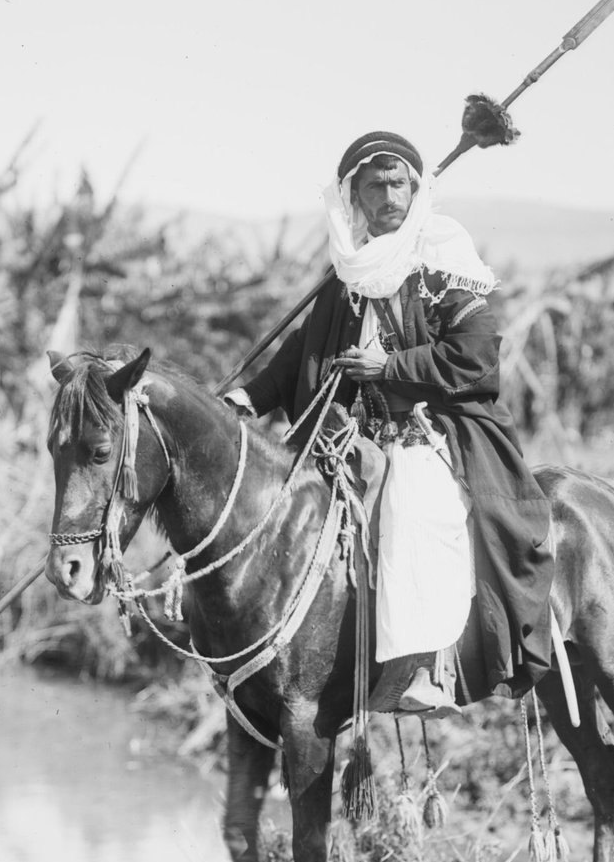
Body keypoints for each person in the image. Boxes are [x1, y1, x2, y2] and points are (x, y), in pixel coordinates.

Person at [224, 131, 554, 713]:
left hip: (436, 431)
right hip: (356, 434)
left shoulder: (443, 261)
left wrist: (389, 365)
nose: (386, 195)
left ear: (415, 189)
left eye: (397, 182)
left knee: (412, 506)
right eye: (372, 185)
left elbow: (477, 359)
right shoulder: (352, 270)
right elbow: (304, 352)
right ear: (354, 197)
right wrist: (249, 397)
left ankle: (427, 666)